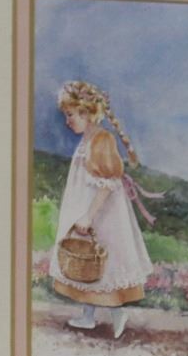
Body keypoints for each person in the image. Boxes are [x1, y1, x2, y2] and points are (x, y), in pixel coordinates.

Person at [49, 80, 153, 339]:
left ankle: (118, 312)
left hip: (102, 213)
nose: (67, 121)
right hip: (85, 206)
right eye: (66, 115)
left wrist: (89, 215)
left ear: (86, 113)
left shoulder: (102, 139)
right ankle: (88, 316)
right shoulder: (87, 139)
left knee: (104, 262)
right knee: (86, 265)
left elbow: (107, 184)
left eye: (71, 115)